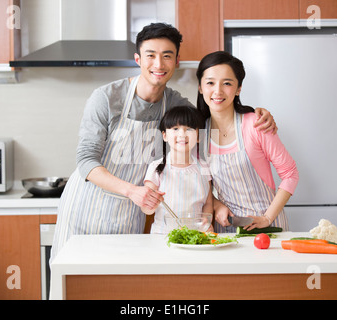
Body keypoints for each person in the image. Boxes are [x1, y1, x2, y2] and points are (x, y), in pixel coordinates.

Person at [50, 23, 276, 262]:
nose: (158, 65)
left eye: (167, 56)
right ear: (138, 59)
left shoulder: (176, 105)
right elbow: (86, 160)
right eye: (151, 56)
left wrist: (254, 115)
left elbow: (218, 121)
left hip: (131, 214)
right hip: (87, 207)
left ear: (176, 61)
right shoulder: (106, 98)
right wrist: (132, 190)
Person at [196, 51, 299, 233]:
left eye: (227, 83)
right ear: (200, 87)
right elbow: (201, 183)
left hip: (268, 227)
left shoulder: (256, 124)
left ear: (238, 89)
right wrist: (217, 205)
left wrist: (267, 218)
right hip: (228, 229)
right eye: (210, 83)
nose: (218, 91)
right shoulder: (199, 133)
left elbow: (290, 173)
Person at [141, 106, 213, 234]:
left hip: (196, 235)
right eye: (175, 129)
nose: (182, 134)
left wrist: (206, 221)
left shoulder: (203, 167)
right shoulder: (156, 168)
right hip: (162, 235)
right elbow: (147, 208)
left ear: (198, 136)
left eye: (189, 129)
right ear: (164, 136)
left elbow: (208, 203)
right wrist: (149, 203)